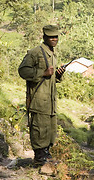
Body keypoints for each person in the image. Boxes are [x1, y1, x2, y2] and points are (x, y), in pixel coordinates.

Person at [18, 25, 65, 166]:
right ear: (44, 37)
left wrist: (57, 75)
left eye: (56, 37)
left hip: (50, 101)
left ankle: (46, 155)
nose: (54, 39)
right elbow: (23, 71)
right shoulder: (35, 53)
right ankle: (39, 159)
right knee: (40, 129)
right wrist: (42, 73)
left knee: (50, 130)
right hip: (38, 100)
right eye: (51, 37)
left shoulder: (52, 54)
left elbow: (50, 79)